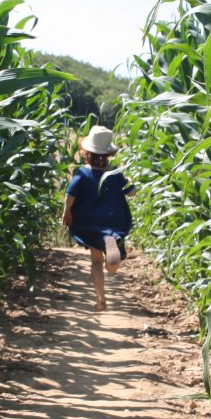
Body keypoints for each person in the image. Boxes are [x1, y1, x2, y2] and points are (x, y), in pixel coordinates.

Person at [61, 125, 136, 312]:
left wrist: (67, 211)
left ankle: (101, 298)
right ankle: (113, 254)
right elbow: (131, 193)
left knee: (96, 261)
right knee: (111, 262)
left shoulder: (82, 173)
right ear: (108, 154)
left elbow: (71, 195)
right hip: (112, 220)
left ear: (87, 152)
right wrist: (130, 181)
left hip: (89, 221)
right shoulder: (115, 174)